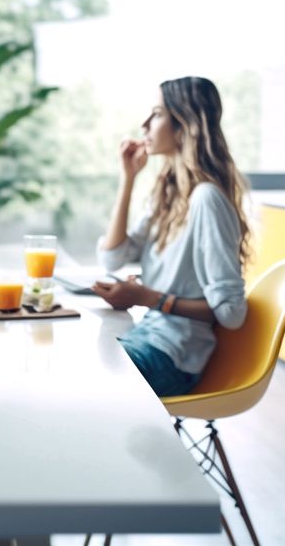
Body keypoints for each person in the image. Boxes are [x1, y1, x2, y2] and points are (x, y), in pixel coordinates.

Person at [92, 76, 251, 397]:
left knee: (92, 384)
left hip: (175, 357)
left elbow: (232, 314)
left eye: (157, 114)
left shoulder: (206, 199)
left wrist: (146, 297)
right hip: (147, 336)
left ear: (185, 125)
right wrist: (128, 180)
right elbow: (112, 257)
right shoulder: (168, 193)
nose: (144, 124)